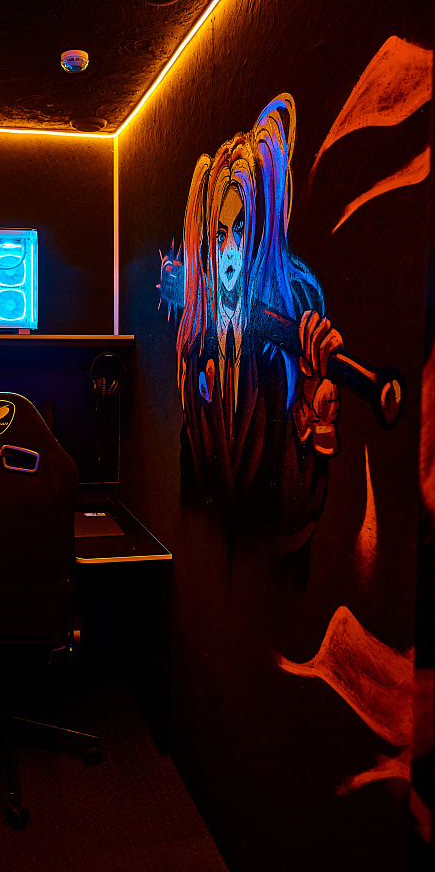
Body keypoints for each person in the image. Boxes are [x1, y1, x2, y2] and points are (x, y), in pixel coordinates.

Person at [171, 95, 343, 540]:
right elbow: (192, 480)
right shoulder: (197, 348)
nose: (229, 251)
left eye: (241, 231)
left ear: (261, 235)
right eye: (219, 234)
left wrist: (313, 412)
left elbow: (298, 509)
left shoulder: (280, 348)